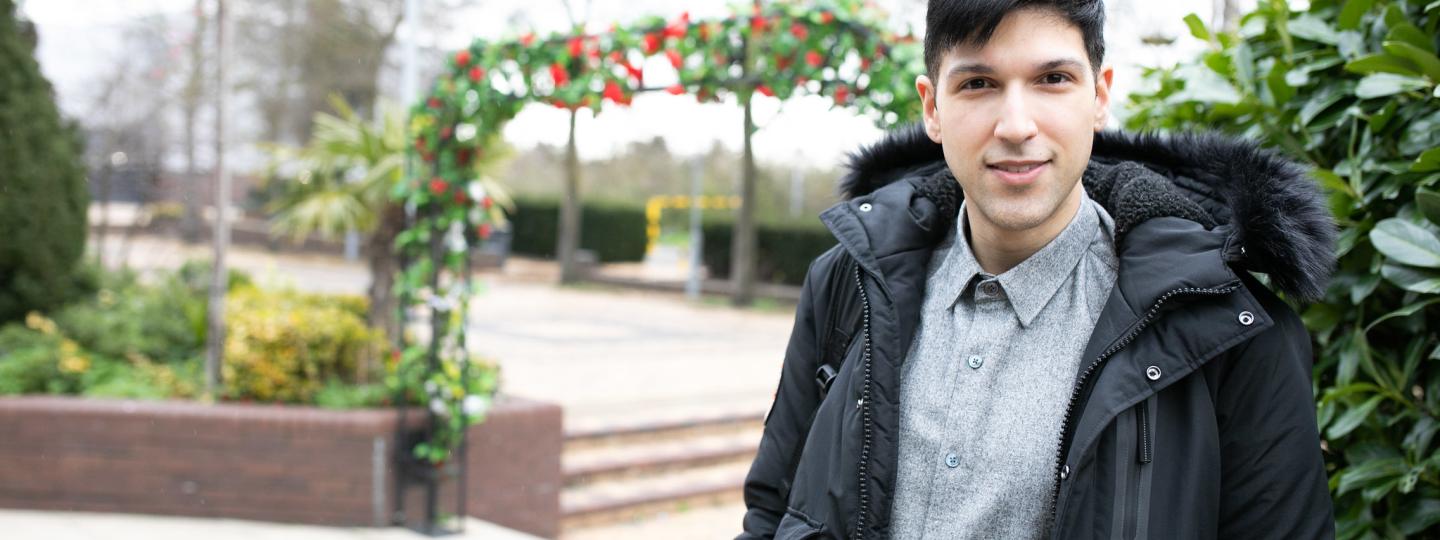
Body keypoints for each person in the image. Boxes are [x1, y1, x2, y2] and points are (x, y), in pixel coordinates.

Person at [737, 1, 1337, 538]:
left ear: (1099, 96)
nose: (1017, 126)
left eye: (1053, 79)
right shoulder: (846, 282)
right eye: (978, 83)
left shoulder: (1228, 325)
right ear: (932, 107)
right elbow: (774, 509)